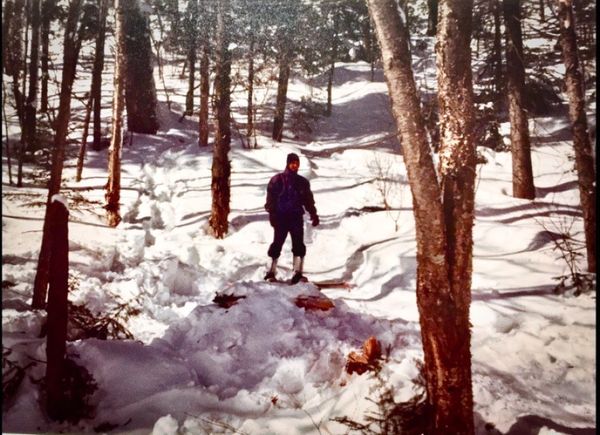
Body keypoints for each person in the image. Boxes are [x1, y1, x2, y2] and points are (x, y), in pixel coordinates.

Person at [264, 153, 319, 283]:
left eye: (297, 163)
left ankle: (297, 273)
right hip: (281, 217)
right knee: (277, 244)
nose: (295, 165)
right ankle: (270, 272)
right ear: (288, 163)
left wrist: (313, 214)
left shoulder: (302, 182)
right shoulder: (277, 180)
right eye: (292, 163)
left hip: (296, 218)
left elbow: (308, 201)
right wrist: (272, 215)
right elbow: (270, 200)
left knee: (299, 245)